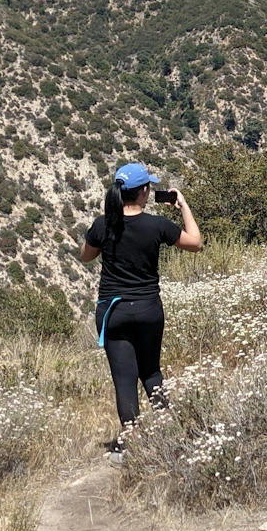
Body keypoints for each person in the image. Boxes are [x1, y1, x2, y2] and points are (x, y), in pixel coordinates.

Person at [79, 161, 201, 460]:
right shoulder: (157, 226)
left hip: (113, 311)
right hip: (148, 309)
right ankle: (168, 432)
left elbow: (85, 257)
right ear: (145, 191)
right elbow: (196, 243)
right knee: (151, 371)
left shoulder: (102, 225)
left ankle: (131, 444)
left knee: (124, 378)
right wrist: (183, 205)